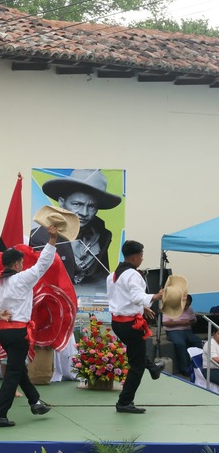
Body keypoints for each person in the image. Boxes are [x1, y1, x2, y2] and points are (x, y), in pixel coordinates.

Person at [0, 225, 58, 428]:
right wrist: (52, 240)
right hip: (19, 332)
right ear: (17, 263)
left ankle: (35, 402)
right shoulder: (21, 279)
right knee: (14, 372)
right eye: (21, 261)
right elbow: (43, 265)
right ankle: (0, 414)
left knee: (18, 368)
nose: (23, 264)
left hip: (4, 333)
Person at [29, 169, 121, 289]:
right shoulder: (39, 237)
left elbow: (101, 275)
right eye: (77, 204)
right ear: (62, 202)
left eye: (92, 206)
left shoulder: (103, 235)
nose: (84, 213)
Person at [107, 240, 165, 414]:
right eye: (141, 255)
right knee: (137, 365)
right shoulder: (132, 275)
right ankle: (124, 402)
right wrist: (157, 296)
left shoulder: (113, 274)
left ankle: (153, 369)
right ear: (133, 257)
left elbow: (122, 297)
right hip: (130, 324)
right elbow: (136, 295)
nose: (142, 258)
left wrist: (142, 307)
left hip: (118, 322)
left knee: (136, 351)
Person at [163, 294, 202, 377]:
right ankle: (184, 369)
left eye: (188, 305)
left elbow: (194, 320)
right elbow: (165, 322)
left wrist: (191, 321)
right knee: (181, 344)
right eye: (185, 305)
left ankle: (198, 366)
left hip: (187, 331)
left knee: (198, 342)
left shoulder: (189, 309)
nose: (186, 307)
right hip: (173, 331)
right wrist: (181, 322)